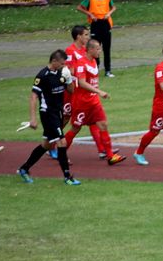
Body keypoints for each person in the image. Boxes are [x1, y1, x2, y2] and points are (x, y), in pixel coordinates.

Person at [46, 25, 119, 160]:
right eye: (86, 35)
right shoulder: (71, 51)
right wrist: (81, 72)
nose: (88, 37)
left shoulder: (87, 55)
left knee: (95, 121)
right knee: (67, 120)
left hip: (85, 93)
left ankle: (103, 149)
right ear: (79, 36)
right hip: (72, 92)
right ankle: (51, 144)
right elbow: (66, 70)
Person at [17, 49, 81, 185]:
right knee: (61, 143)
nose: (64, 66)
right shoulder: (43, 76)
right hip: (47, 113)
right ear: (54, 61)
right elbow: (33, 96)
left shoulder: (61, 72)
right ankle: (67, 176)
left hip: (57, 113)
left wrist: (69, 79)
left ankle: (24, 168)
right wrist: (33, 118)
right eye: (62, 64)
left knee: (46, 145)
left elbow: (71, 91)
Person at [63, 39, 126, 165]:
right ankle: (61, 154)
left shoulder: (93, 62)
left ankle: (110, 156)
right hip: (82, 103)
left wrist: (96, 93)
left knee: (103, 124)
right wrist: (99, 91)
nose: (100, 51)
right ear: (90, 49)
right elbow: (81, 82)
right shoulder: (81, 63)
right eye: (97, 49)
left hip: (94, 102)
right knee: (76, 128)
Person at [76, 0, 116, 77]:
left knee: (107, 48)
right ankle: (95, 69)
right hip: (96, 24)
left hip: (106, 23)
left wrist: (109, 13)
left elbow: (114, 7)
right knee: (95, 48)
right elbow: (79, 7)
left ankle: (108, 70)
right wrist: (90, 14)